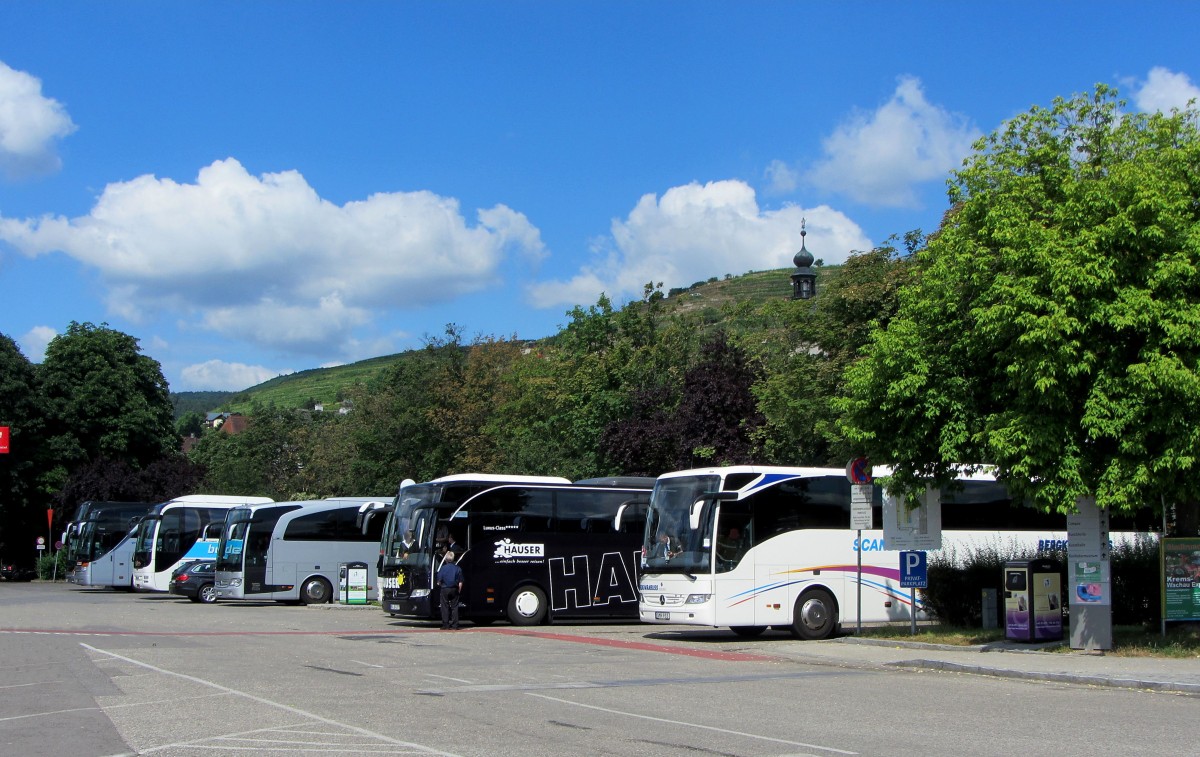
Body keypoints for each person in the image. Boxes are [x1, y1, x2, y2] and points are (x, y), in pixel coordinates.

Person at [436, 551, 464, 630]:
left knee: (445, 606)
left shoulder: (443, 568)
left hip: (445, 588)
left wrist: (441, 585)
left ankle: (446, 624)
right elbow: (461, 582)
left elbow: (438, 582)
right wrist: (459, 590)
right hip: (454, 588)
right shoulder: (458, 568)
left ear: (446, 559)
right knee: (455, 607)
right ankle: (455, 624)